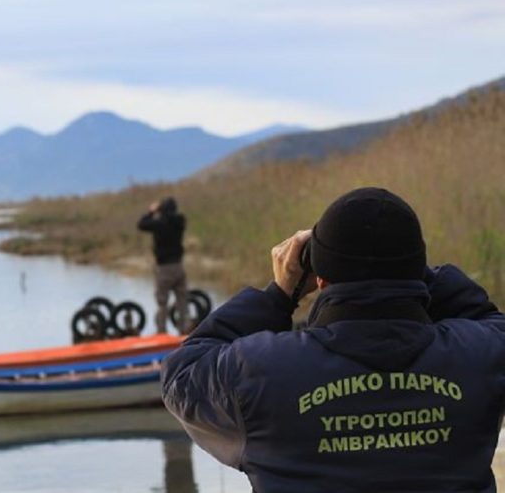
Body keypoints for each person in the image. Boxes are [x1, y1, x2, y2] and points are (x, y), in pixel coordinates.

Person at [161, 187, 505, 492]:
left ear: (320, 279)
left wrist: (278, 295)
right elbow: (491, 322)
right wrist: (414, 271)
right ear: (416, 268)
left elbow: (182, 373)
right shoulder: (480, 356)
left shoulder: (260, 372)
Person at [138, 196, 190, 334]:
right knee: (182, 301)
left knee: (162, 303)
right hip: (178, 266)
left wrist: (151, 211)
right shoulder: (179, 221)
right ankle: (184, 329)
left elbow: (142, 224)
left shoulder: (158, 223)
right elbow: (177, 218)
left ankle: (162, 331)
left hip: (163, 268)